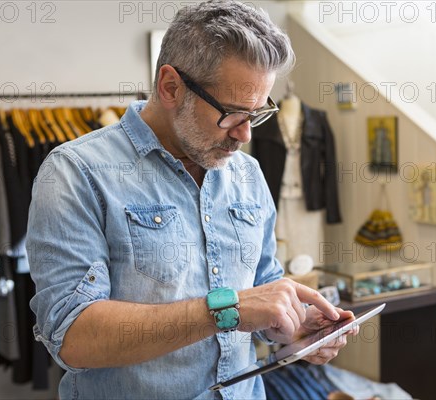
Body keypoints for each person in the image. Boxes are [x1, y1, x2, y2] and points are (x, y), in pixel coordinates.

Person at [26, 1, 356, 398]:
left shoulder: (247, 174)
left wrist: (292, 326)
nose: (245, 135)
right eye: (233, 114)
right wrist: (225, 308)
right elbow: (72, 336)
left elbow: (260, 286)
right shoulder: (76, 173)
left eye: (257, 114)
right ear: (170, 87)